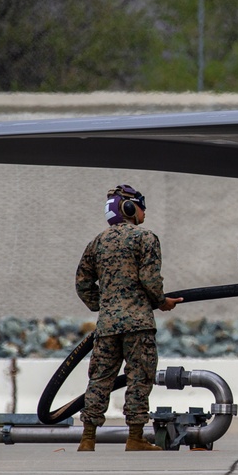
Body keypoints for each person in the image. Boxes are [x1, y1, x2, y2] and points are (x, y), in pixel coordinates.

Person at [75, 184, 182, 452]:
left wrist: (105, 305)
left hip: (108, 325)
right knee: (139, 378)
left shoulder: (97, 242)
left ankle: (87, 439)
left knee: (99, 379)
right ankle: (134, 437)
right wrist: (161, 302)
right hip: (138, 324)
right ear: (129, 208)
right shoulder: (145, 238)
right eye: (140, 204)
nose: (144, 210)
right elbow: (149, 279)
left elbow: (83, 283)